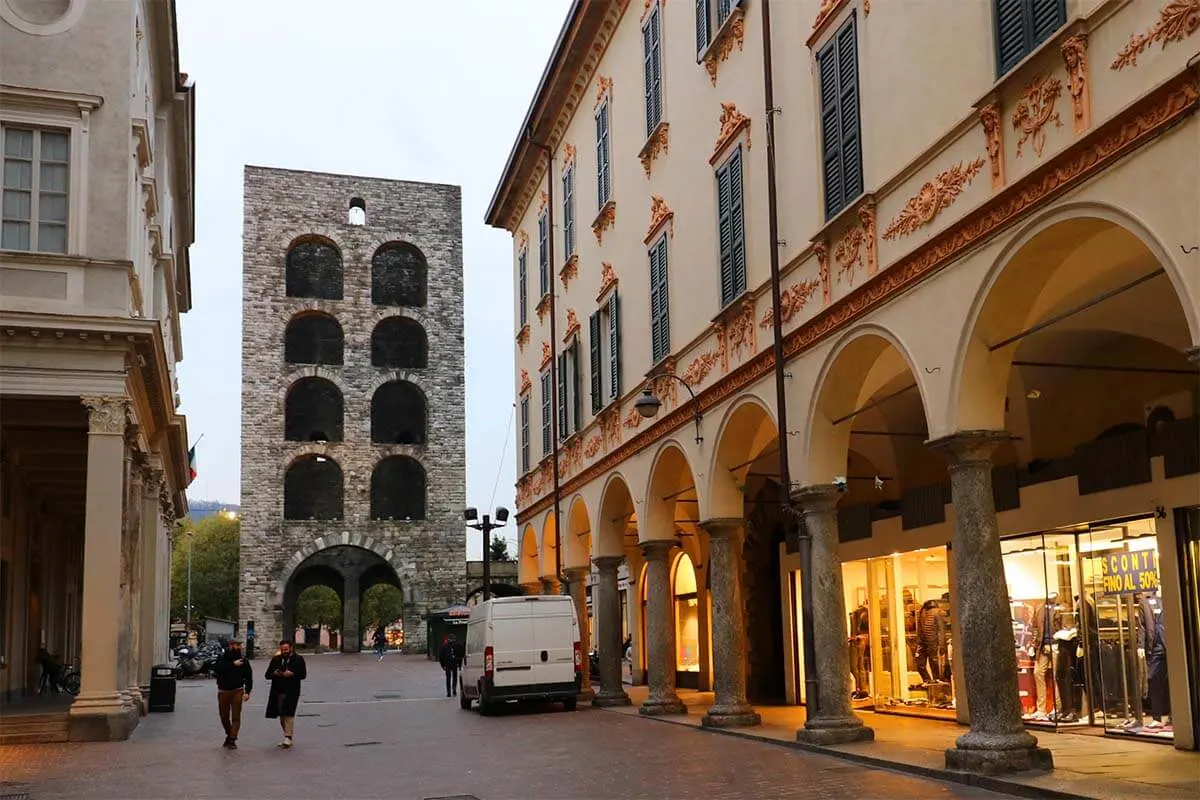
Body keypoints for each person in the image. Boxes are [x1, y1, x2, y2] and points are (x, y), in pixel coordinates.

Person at [264, 640, 307, 748]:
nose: (285, 652)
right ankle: (287, 736)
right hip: (278, 690)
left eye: (286, 649)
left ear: (291, 648)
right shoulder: (276, 659)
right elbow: (267, 675)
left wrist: (293, 674)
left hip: (292, 690)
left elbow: (303, 675)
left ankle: (288, 737)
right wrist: (274, 673)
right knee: (281, 715)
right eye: (283, 650)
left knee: (289, 713)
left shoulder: (298, 659)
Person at [212, 639, 253, 749]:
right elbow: (217, 670)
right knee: (224, 716)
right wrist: (233, 664)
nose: (239, 647)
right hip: (223, 690)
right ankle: (229, 733)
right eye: (237, 645)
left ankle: (232, 739)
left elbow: (249, 677)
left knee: (236, 716)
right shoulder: (223, 658)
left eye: (240, 645)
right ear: (231, 646)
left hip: (238, 690)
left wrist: (247, 691)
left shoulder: (244, 661)